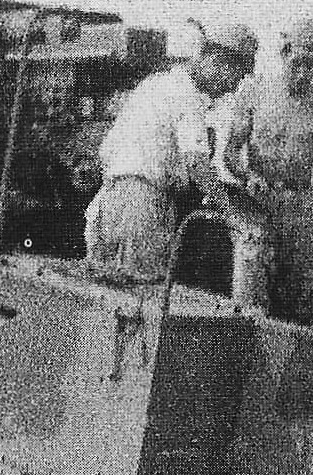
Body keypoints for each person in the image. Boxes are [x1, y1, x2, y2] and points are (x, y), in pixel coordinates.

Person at [83, 23, 257, 283]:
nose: (231, 90)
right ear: (219, 63)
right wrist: (232, 215)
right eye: (236, 78)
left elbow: (106, 150)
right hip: (142, 208)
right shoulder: (188, 97)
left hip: (108, 200)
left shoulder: (156, 83)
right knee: (143, 293)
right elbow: (197, 166)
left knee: (104, 292)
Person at [219, 17, 313, 318]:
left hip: (300, 208)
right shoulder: (254, 93)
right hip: (258, 204)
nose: (303, 73)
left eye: (312, 66)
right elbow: (230, 153)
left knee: (297, 297)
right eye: (298, 63)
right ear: (284, 53)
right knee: (250, 295)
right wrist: (247, 176)